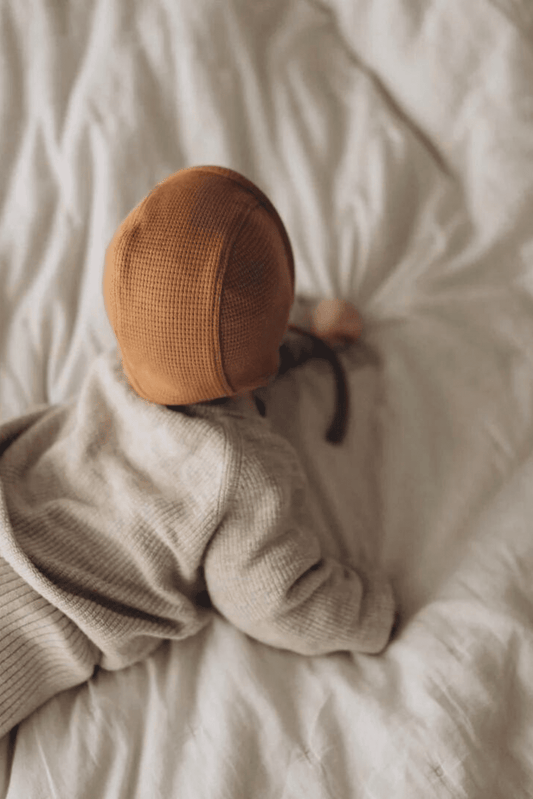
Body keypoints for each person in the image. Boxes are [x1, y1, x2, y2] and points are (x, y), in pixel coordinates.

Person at [0, 165, 396, 738]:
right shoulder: (239, 472)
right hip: (33, 613)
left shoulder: (121, 364)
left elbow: (200, 334)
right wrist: (369, 613)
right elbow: (275, 599)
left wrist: (309, 327)